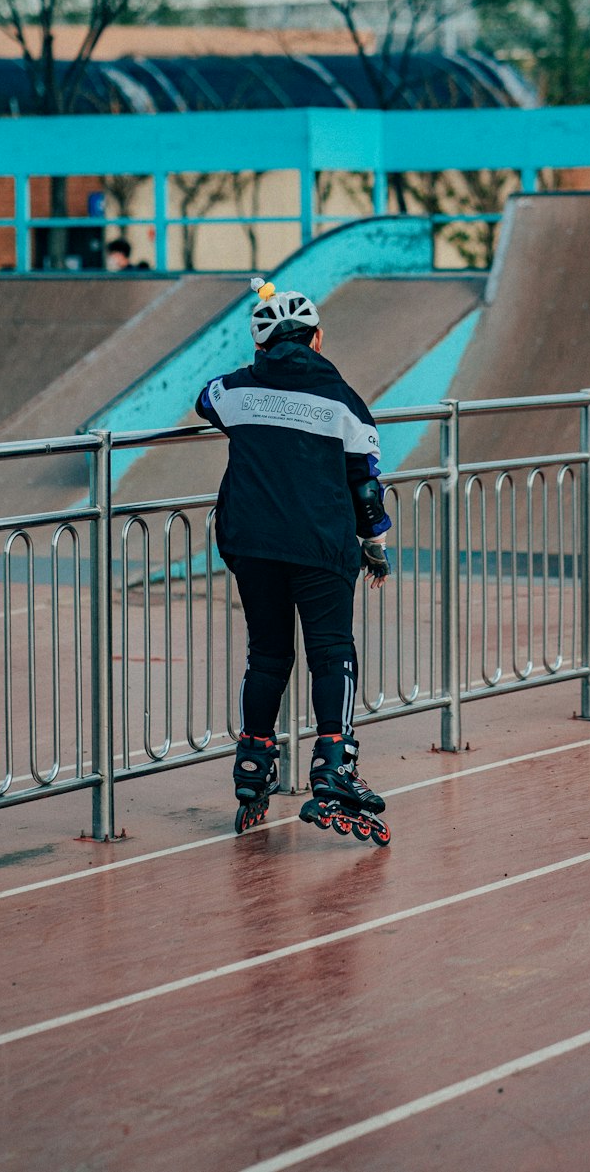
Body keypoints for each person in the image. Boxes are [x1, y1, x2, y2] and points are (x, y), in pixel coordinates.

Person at [195, 276, 393, 843]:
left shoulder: (237, 389)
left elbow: (205, 398)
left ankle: (253, 764)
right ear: (317, 340)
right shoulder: (344, 403)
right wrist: (374, 542)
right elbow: (366, 488)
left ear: (260, 346)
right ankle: (334, 766)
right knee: (332, 651)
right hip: (319, 544)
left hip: (251, 543)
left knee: (268, 653)